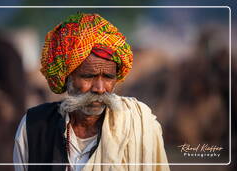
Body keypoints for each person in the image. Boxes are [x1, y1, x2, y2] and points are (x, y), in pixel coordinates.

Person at [13, 12, 170, 171]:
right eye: (88, 77)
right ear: (67, 77)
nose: (100, 89)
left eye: (108, 77)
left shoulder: (139, 124)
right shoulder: (34, 126)